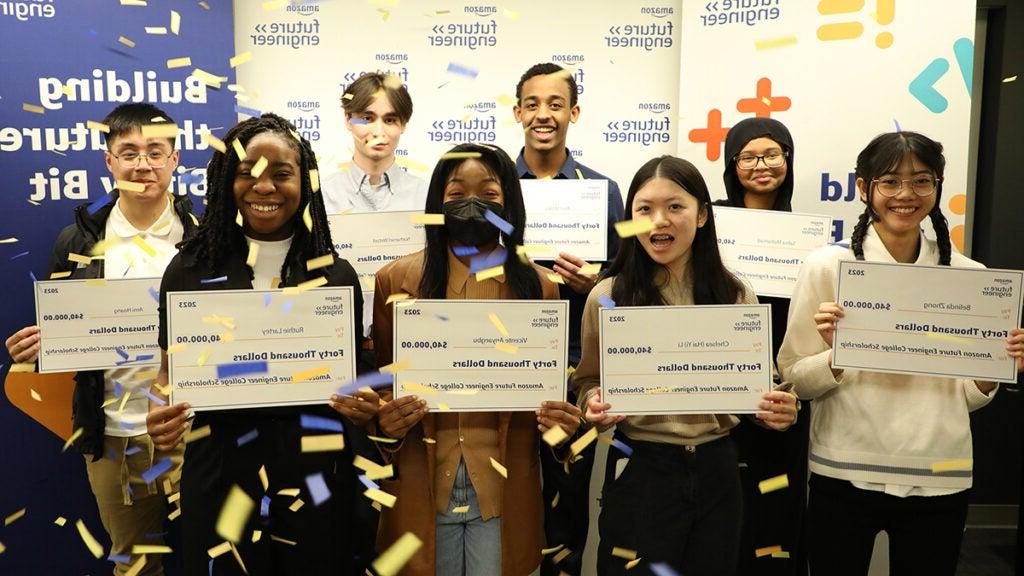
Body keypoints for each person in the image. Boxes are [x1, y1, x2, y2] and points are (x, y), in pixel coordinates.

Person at [777, 131, 1024, 575]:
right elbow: (794, 379)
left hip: (939, 472)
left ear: (938, 185)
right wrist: (841, 352)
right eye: (890, 181)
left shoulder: (971, 278)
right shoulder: (826, 267)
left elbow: (966, 397)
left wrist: (996, 367)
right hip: (844, 469)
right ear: (863, 187)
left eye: (922, 181)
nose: (906, 195)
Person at [145, 113, 377, 575]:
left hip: (314, 477)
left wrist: (363, 404)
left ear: (304, 180)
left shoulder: (335, 275)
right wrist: (159, 410)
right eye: (247, 172)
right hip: (222, 477)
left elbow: (350, 381)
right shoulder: (190, 270)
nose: (263, 186)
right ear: (226, 180)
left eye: (281, 173)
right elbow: (168, 374)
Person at [576, 155, 798, 576]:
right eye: (644, 209)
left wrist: (782, 408)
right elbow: (587, 379)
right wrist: (593, 404)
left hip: (719, 470)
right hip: (640, 468)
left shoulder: (736, 295)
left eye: (675, 207)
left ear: (702, 216)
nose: (659, 221)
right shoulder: (608, 296)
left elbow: (763, 386)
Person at [370, 143, 583, 575]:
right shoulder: (395, 280)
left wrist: (565, 432)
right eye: (455, 195)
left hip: (504, 490)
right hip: (422, 482)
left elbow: (548, 406)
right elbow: (381, 388)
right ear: (436, 204)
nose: (472, 205)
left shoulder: (540, 287)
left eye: (489, 194)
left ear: (510, 204)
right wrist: (382, 424)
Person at [5, 103, 191, 576]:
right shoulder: (78, 241)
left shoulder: (206, 238)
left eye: (155, 151)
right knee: (134, 565)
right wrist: (39, 349)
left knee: (213, 557)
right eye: (128, 152)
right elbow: (64, 336)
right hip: (112, 438)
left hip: (197, 432)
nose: (142, 164)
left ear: (175, 158)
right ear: (108, 161)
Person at [513, 61, 624, 574]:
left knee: (569, 501)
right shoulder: (491, 189)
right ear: (517, 112)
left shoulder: (604, 193)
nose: (544, 114)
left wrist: (593, 286)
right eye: (533, 104)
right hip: (502, 365)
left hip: (574, 371)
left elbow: (627, 296)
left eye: (555, 104)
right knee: (501, 492)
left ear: (573, 112)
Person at [717, 117, 807, 574]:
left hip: (779, 395)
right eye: (748, 156)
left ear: (788, 160)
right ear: (733, 165)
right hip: (718, 387)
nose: (761, 165)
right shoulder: (707, 223)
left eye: (773, 154)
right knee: (720, 518)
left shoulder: (807, 237)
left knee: (773, 515)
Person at [321, 72, 427, 214]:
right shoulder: (323, 196)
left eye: (389, 120)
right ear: (349, 120)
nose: (378, 132)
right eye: (367, 118)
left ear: (403, 124)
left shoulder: (424, 196)